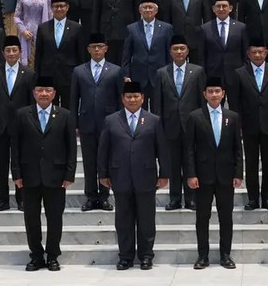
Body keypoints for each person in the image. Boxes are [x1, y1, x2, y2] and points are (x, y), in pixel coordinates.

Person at [98, 81, 169, 271]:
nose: (132, 99)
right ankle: (125, 257)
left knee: (146, 219)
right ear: (122, 99)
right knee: (123, 219)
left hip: (146, 176)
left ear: (143, 98)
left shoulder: (153, 120)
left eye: (136, 96)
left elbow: (162, 148)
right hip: (120, 175)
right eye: (128, 96)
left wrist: (164, 174)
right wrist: (103, 173)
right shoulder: (111, 120)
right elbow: (103, 149)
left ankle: (146, 256)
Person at [11, 80, 77, 272]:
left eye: (48, 90)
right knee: (31, 218)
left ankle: (53, 255)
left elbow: (71, 147)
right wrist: (16, 173)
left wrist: (69, 174)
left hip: (56, 176)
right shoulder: (22, 114)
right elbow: (15, 146)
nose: (44, 94)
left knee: (55, 218)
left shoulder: (65, 115)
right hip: (29, 175)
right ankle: (36, 256)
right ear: (34, 93)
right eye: (40, 90)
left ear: (54, 93)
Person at [184, 77, 243, 270]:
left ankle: (225, 254)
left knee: (226, 217)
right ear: (204, 94)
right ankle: (203, 255)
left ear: (223, 93)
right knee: (203, 217)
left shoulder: (232, 117)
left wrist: (238, 173)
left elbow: (237, 149)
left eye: (217, 91)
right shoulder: (195, 116)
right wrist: (191, 174)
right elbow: (189, 149)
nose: (214, 95)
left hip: (226, 176)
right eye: (210, 91)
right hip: (202, 176)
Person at [71, 32, 124, 211]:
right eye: (93, 47)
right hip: (86, 121)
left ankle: (104, 196)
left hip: (108, 122)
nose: (97, 50)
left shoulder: (115, 70)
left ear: (106, 49)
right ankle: (90, 196)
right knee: (89, 161)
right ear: (88, 49)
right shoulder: (79, 71)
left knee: (106, 160)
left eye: (100, 46)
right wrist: (75, 122)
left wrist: (120, 122)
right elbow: (73, 99)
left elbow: (120, 98)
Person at [152, 35, 206, 210]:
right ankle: (174, 198)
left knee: (191, 161)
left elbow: (201, 100)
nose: (179, 52)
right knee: (173, 163)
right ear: (170, 52)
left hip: (191, 124)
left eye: (182, 49)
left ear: (187, 51)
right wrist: (158, 125)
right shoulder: (162, 73)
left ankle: (191, 198)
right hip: (170, 124)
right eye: (175, 49)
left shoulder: (197, 71)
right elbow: (157, 102)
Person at [232, 39, 268, 210]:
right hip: (249, 124)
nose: (257, 55)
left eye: (260, 52)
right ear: (248, 54)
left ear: (266, 53)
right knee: (252, 163)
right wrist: (237, 123)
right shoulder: (240, 73)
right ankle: (253, 199)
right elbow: (235, 102)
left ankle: (267, 197)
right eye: (253, 52)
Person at [0, 35, 35, 211]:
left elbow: (31, 103)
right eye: (8, 50)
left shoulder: (29, 74)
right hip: (0, 124)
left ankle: (21, 199)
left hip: (22, 126)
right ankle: (3, 199)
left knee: (20, 163)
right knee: (2, 164)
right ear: (3, 53)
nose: (11, 53)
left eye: (15, 50)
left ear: (20, 52)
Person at [34, 0, 88, 108]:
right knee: (49, 108)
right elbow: (38, 55)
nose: (59, 9)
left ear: (67, 7)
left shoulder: (77, 28)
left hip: (69, 75)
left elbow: (81, 55)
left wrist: (81, 77)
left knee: (68, 108)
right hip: (48, 75)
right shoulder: (43, 28)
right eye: (55, 6)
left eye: (61, 6)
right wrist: (38, 78)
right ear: (51, 8)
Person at [163, 0, 212, 66]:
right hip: (177, 40)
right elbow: (167, 20)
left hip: (196, 39)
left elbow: (207, 18)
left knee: (196, 70)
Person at [122, 0, 174, 94]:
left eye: (150, 7)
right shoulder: (132, 28)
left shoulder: (166, 28)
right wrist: (126, 75)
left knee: (158, 107)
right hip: (138, 76)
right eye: (145, 7)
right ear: (140, 10)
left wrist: (170, 74)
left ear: (156, 10)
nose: (148, 10)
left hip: (159, 75)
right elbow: (126, 55)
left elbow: (169, 53)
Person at [201, 0, 248, 86]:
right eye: (218, 6)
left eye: (224, 6)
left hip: (235, 74)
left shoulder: (241, 28)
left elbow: (245, 54)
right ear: (213, 9)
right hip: (213, 75)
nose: (221, 9)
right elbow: (202, 55)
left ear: (230, 8)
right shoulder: (205, 28)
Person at [13, 0, 50, 68]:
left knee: (40, 60)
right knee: (26, 62)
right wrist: (23, 30)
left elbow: (50, 17)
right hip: (26, 33)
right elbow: (16, 17)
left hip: (41, 32)